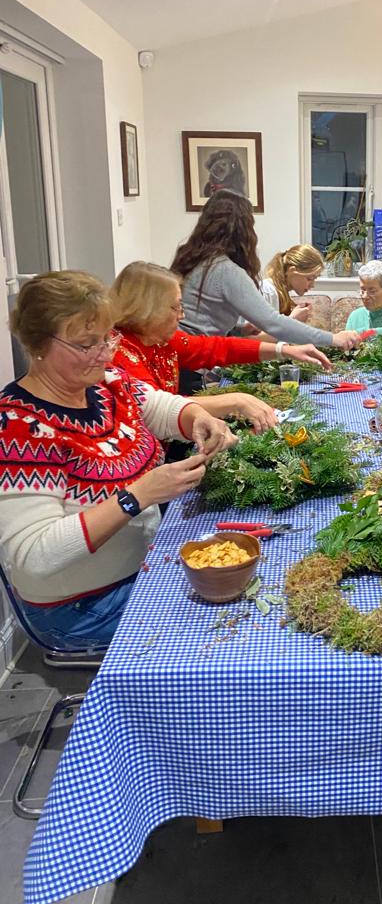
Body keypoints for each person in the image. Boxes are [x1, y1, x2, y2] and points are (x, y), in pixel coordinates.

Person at [0, 271, 237, 648]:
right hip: (82, 605)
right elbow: (35, 554)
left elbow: (161, 407)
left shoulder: (106, 382)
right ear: (38, 344)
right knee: (227, 625)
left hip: (142, 566)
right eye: (85, 344)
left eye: (106, 338)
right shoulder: (17, 427)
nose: (104, 354)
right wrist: (138, 495)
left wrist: (197, 417)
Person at [110, 262, 331, 433]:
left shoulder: (162, 340)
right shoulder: (118, 352)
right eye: (175, 307)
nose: (182, 315)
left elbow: (218, 348)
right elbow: (156, 408)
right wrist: (237, 401)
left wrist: (284, 350)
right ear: (148, 309)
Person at [171, 192, 359, 376]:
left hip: (177, 355)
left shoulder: (197, 260)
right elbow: (273, 323)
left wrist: (239, 329)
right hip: (191, 362)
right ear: (242, 231)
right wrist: (333, 338)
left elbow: (201, 316)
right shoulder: (225, 270)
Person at [262, 244, 325, 322]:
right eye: (309, 279)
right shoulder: (268, 291)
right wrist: (293, 319)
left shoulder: (281, 294)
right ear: (292, 271)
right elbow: (261, 329)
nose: (312, 285)